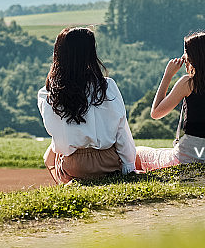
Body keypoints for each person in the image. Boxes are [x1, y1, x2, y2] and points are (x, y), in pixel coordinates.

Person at [38, 27, 136, 184]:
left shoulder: (48, 93)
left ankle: (65, 186)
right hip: (107, 161)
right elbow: (121, 130)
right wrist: (128, 166)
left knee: (49, 156)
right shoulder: (107, 87)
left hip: (73, 164)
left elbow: (57, 133)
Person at [135, 31, 205, 172]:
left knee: (137, 152)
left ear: (196, 56)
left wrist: (167, 76)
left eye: (186, 52)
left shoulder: (188, 83)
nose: (184, 57)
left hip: (186, 158)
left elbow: (156, 113)